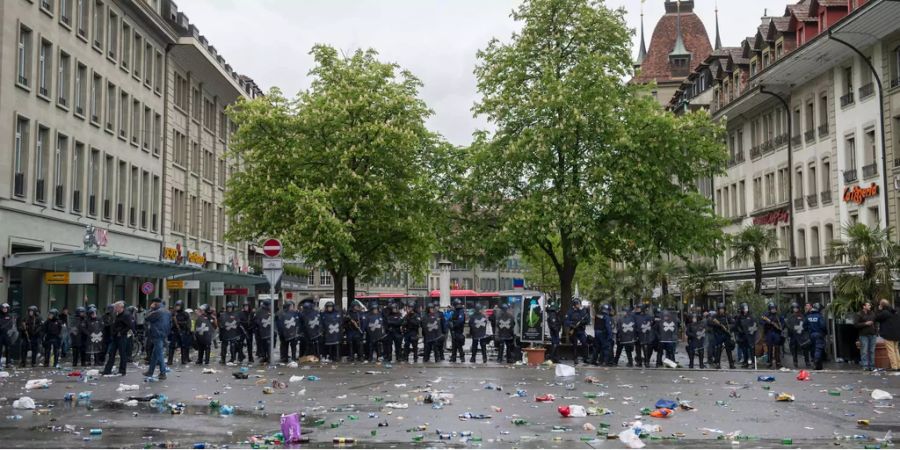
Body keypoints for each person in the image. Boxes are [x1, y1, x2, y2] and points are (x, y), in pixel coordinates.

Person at [143, 299, 170, 379]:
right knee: (155, 354)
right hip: (164, 334)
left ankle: (163, 373)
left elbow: (146, 317)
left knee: (159, 354)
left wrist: (151, 309)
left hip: (156, 334)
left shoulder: (157, 312)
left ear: (155, 303)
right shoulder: (167, 312)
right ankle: (150, 372)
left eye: (153, 303)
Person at [102, 301, 131, 376]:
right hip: (115, 337)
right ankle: (107, 370)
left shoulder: (126, 315)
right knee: (111, 353)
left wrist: (121, 332)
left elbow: (128, 326)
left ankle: (122, 370)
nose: (115, 308)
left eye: (116, 307)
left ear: (121, 307)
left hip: (121, 337)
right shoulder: (116, 314)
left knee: (122, 354)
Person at [875, 299, 900, 371]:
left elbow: (877, 318)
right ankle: (898, 365)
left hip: (888, 334)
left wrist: (879, 310)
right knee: (896, 350)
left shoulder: (885, 312)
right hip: (897, 334)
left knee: (891, 351)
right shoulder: (895, 312)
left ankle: (894, 366)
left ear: (882, 305)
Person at [710, 304, 736, 369]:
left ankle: (731, 364)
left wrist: (727, 327)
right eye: (720, 309)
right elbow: (710, 322)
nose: (721, 310)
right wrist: (719, 325)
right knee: (718, 349)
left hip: (726, 335)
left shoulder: (727, 316)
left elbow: (733, 324)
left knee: (728, 350)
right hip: (718, 334)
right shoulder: (715, 316)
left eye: (723, 309)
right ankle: (717, 363)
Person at [785, 303, 811, 368]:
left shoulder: (802, 316)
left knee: (805, 348)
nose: (795, 309)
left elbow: (805, 324)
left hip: (801, 335)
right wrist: (792, 330)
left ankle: (807, 362)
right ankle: (795, 362)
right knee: (794, 349)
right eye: (794, 308)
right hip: (793, 335)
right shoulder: (790, 316)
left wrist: (801, 329)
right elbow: (788, 325)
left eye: (796, 308)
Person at [565, 299, 590, 365]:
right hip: (574, 331)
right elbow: (566, 321)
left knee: (584, 343)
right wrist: (572, 324)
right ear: (574, 305)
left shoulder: (582, 311)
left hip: (581, 330)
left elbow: (587, 320)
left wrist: (583, 323)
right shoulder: (570, 312)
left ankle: (585, 358)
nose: (579, 305)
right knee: (575, 345)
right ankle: (575, 358)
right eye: (577, 304)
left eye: (579, 304)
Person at [761, 302, 785, 369]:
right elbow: (762, 322)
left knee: (777, 348)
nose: (773, 310)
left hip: (777, 333)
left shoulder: (778, 315)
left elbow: (783, 323)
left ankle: (778, 363)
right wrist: (767, 323)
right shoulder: (766, 315)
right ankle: (769, 362)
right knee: (769, 348)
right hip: (769, 333)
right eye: (772, 308)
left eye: (774, 308)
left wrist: (780, 327)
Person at [805, 302, 827, 370]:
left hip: (811, 335)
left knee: (813, 349)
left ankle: (818, 366)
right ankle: (816, 362)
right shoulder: (819, 316)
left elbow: (804, 326)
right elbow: (823, 326)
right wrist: (825, 332)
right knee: (818, 349)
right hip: (818, 334)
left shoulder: (808, 316)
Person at [168, 301, 192, 365]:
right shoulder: (173, 313)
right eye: (176, 306)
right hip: (175, 332)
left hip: (182, 331)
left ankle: (183, 360)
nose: (177, 307)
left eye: (178, 306)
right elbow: (170, 321)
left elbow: (187, 323)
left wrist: (179, 323)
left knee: (183, 346)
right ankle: (170, 361)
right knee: (171, 346)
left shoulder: (185, 314)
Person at [856, 301, 877, 371]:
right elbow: (855, 324)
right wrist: (865, 323)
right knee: (864, 351)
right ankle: (865, 366)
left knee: (872, 351)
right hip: (863, 335)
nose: (870, 306)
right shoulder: (859, 314)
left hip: (872, 334)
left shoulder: (872, 313)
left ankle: (872, 366)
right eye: (868, 305)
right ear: (864, 306)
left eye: (870, 305)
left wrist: (876, 331)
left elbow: (875, 322)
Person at [735, 303, 758, 368]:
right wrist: (740, 331)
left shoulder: (751, 316)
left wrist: (751, 331)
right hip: (743, 336)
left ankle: (753, 363)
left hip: (750, 336)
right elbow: (736, 325)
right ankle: (745, 362)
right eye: (744, 309)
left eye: (746, 309)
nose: (745, 310)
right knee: (744, 350)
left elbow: (755, 325)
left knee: (751, 349)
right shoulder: (739, 317)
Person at [0, 303, 16, 368]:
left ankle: (8, 362)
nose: (5, 309)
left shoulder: (9, 316)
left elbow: (11, 325)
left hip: (7, 334)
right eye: (3, 308)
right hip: (0, 334)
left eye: (6, 308)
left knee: (8, 349)